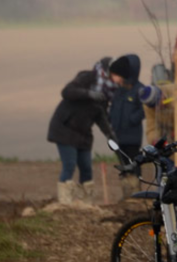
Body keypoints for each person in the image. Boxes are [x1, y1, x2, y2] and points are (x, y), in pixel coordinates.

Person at [46, 65, 115, 205]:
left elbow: (101, 117)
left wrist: (110, 135)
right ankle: (65, 202)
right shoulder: (86, 78)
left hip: (83, 136)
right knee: (69, 165)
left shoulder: (107, 92)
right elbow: (67, 92)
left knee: (86, 168)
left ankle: (85, 203)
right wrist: (88, 94)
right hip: (64, 130)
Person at [107, 55, 145, 199]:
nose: (113, 78)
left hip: (132, 137)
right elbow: (114, 109)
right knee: (123, 167)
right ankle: (127, 196)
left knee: (134, 165)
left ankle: (136, 195)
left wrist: (132, 119)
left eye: (115, 75)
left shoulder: (139, 89)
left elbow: (144, 110)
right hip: (118, 136)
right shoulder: (119, 90)